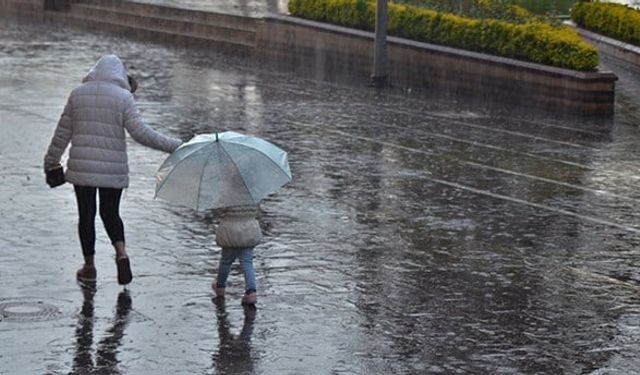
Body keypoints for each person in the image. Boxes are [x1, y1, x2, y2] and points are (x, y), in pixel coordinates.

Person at [44, 54, 182, 285]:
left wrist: (51, 161)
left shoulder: (78, 94)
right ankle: (121, 253)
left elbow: (62, 133)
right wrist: (175, 146)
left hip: (83, 167)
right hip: (112, 169)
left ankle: (89, 267)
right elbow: (141, 133)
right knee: (110, 213)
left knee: (86, 216)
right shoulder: (123, 97)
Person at [213, 204, 262, 305]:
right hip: (249, 229)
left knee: (226, 261)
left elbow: (220, 209)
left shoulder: (227, 193)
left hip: (230, 230)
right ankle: (251, 292)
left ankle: (220, 287)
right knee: (247, 263)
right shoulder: (253, 192)